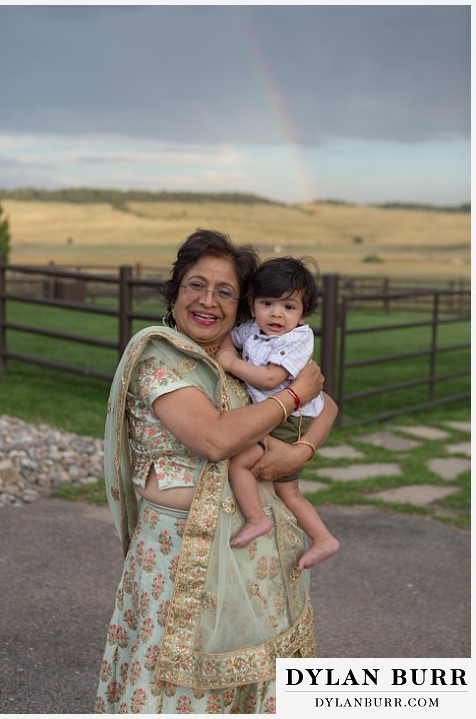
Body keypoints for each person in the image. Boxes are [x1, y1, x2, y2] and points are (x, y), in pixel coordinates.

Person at [95, 229, 338, 714]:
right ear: (175, 291)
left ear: (243, 304)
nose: (208, 301)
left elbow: (325, 402)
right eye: (195, 285)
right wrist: (292, 395)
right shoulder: (160, 355)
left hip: (255, 551)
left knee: (255, 674)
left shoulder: (244, 354)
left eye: (225, 291)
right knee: (173, 683)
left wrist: (302, 451)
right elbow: (216, 438)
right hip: (177, 554)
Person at [217, 256, 340, 569]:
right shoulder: (252, 331)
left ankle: (259, 520)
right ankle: (324, 539)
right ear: (253, 304)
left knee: (245, 467)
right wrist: (227, 352)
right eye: (267, 303)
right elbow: (227, 340)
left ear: (303, 314)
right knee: (288, 489)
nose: (276, 313)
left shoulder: (297, 339)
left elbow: (271, 379)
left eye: (289, 307)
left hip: (291, 420)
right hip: (274, 414)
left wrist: (231, 364)